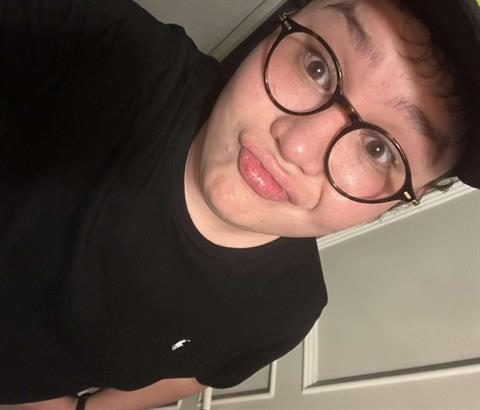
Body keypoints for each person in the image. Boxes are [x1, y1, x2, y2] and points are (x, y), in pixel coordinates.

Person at [0, 0, 478, 409]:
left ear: (404, 200)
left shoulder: (285, 312)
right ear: (281, 23)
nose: (296, 145)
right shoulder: (112, 53)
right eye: (317, 66)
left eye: (378, 150)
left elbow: (198, 372)